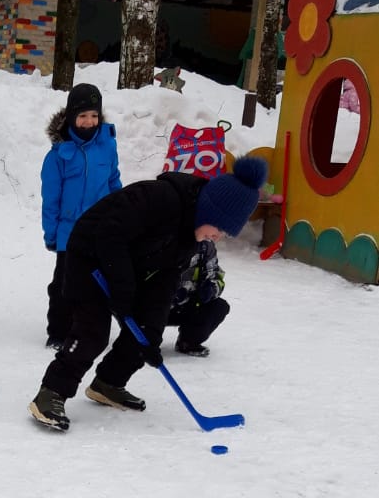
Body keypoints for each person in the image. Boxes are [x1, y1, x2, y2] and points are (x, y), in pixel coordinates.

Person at [28, 155, 267, 431]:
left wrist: (150, 329)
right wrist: (122, 292)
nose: (218, 237)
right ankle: (50, 393)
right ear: (210, 211)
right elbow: (109, 234)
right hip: (89, 254)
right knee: (92, 332)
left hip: (127, 265)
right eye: (220, 228)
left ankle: (108, 382)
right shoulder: (160, 198)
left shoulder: (189, 235)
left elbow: (165, 277)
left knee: (148, 329)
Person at [41, 82, 122, 348]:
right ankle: (58, 331)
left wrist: (119, 216)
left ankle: (88, 328)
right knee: (65, 285)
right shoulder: (58, 156)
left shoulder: (107, 146)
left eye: (94, 115)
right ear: (71, 116)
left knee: (96, 284)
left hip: (100, 230)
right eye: (83, 115)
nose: (89, 122)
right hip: (69, 233)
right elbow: (50, 200)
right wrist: (52, 234)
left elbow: (113, 183)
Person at [167, 239, 229, 357]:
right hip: (155, 306)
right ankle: (140, 340)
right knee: (146, 341)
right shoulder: (164, 240)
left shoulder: (206, 246)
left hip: (187, 305)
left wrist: (211, 288)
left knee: (219, 306)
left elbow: (215, 274)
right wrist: (170, 294)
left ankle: (188, 341)